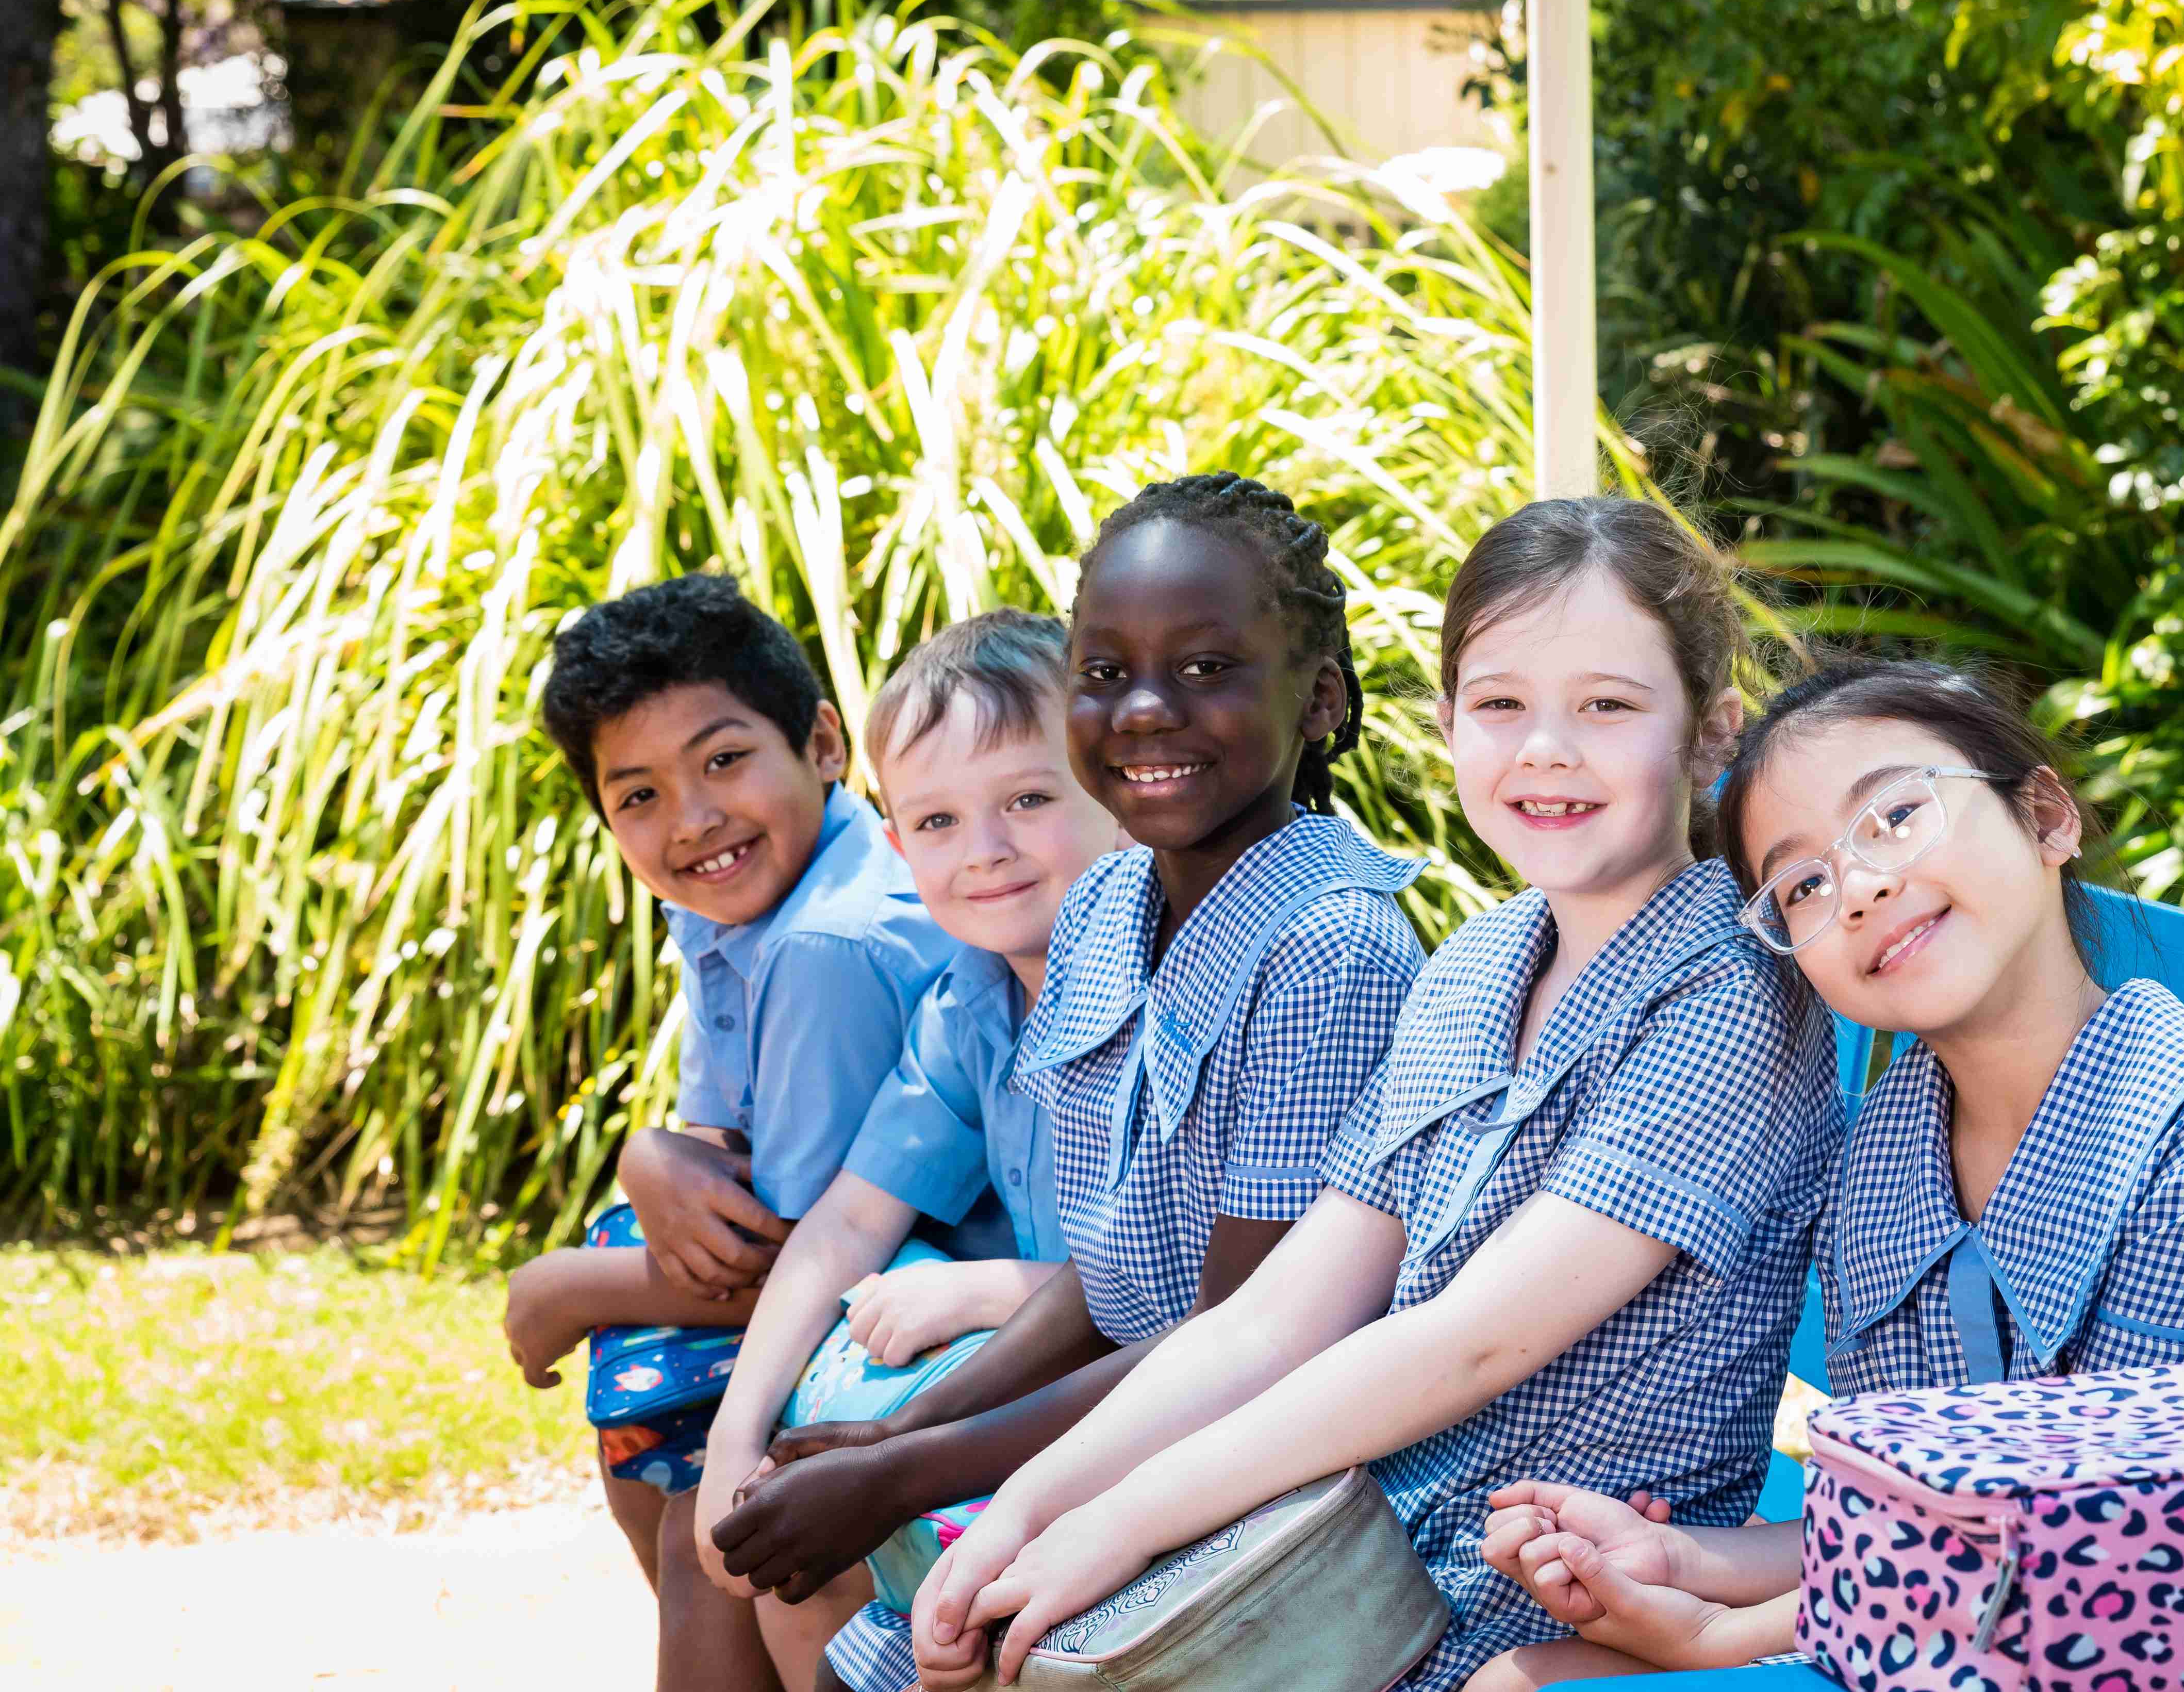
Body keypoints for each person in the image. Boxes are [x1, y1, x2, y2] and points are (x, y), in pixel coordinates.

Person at [902, 496, 1842, 1692]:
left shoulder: (1733, 997)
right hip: (1343, 1558)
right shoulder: (1477, 966)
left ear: (1712, 731)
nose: (1545, 748)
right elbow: (1279, 1313)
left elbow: (1463, 1341)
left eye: (1606, 704)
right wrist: (1029, 1508)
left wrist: (1123, 1519)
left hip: (1551, 1593)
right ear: (1447, 721)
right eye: (1500, 704)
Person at [1470, 654, 2184, 1685]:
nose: (1863, 884)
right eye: (1802, 883)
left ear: (2048, 817)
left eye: (1895, 815)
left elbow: (2148, 1572)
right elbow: (1912, 1523)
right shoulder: (1890, 1153)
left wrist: (1725, 1636)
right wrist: (1683, 1559)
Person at [705, 472, 1428, 1692]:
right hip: (1102, 1438)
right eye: (1106, 671)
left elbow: (1237, 1342)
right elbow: (1116, 1273)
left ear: (1321, 700)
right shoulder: (1107, 905)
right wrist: (898, 1432)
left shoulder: (1330, 945)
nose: (1146, 710)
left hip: (1246, 1493)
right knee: (852, 1653)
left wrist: (908, 1469)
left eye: (1207, 668)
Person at [649, 610, 1124, 1691]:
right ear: (902, 845)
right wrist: (736, 1437)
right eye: (942, 820)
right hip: (1032, 1394)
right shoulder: (975, 999)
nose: (988, 849)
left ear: (1114, 796)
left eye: (1031, 800)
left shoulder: (1163, 989)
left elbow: (1214, 1287)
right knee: (752, 1526)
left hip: (1136, 1414)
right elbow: (846, 1222)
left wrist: (991, 1289)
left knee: (836, 1539)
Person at [499, 573, 964, 1583]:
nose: (695, 818)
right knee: (644, 1422)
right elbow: (720, 1157)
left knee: (699, 1515)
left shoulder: (829, 944)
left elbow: (795, 1255)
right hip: (847, 1257)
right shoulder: (732, 893)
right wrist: (650, 1155)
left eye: (724, 759)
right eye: (640, 796)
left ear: (825, 745)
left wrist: (558, 1289)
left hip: (937, 1296)